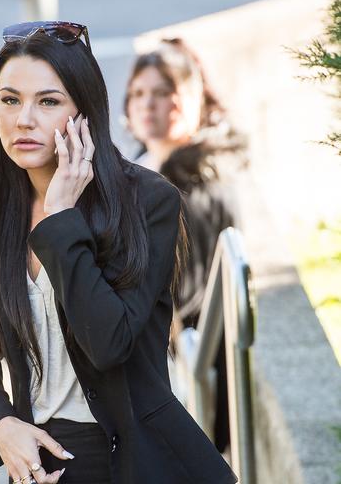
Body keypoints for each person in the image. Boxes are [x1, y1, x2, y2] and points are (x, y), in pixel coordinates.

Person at [0, 21, 238, 484]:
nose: (24, 119)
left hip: (135, 459)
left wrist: (62, 219)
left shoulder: (148, 202)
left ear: (86, 112)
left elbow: (109, 344)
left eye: (48, 101)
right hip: (41, 459)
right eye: (9, 99)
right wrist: (0, 424)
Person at [122, 37, 248, 455]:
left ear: (192, 98)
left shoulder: (198, 178)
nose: (148, 104)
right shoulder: (140, 166)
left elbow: (187, 288)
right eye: (138, 93)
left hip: (185, 361)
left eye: (163, 92)